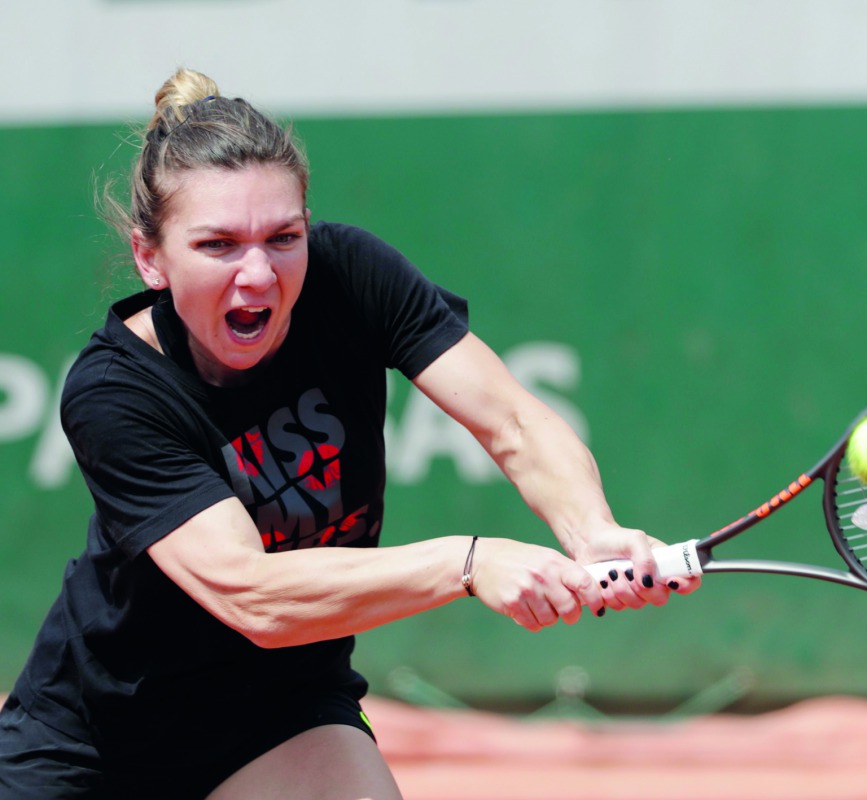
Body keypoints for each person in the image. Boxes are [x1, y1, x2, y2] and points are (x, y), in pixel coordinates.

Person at [0, 67, 697, 799]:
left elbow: (515, 422)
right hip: (96, 744)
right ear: (151, 258)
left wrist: (591, 530)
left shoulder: (352, 277)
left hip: (284, 713)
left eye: (283, 237)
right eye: (218, 245)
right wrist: (469, 563)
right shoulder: (114, 392)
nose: (258, 274)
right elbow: (252, 595)